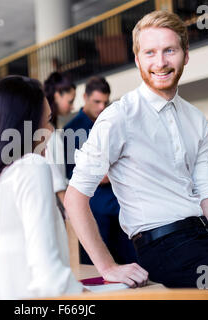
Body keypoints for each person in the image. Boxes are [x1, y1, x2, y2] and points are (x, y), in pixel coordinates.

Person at [64, 10, 208, 299]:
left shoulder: (195, 118)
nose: (160, 62)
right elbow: (74, 198)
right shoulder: (118, 117)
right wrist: (108, 266)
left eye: (169, 50)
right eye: (150, 53)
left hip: (204, 242)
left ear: (185, 55)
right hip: (163, 248)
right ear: (137, 60)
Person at [0, 75, 83, 299]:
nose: (49, 132)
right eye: (46, 121)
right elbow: (51, 281)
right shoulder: (31, 168)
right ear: (25, 126)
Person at [64, 76, 137, 265]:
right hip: (94, 210)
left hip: (120, 207)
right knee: (99, 267)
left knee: (132, 262)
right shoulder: (70, 131)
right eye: (97, 102)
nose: (101, 107)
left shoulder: (113, 124)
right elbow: (80, 175)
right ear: (85, 97)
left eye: (105, 102)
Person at [43, 72, 76, 207]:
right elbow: (56, 178)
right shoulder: (47, 131)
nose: (72, 106)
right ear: (57, 95)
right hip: (57, 205)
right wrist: (70, 212)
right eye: (70, 101)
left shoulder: (52, 129)